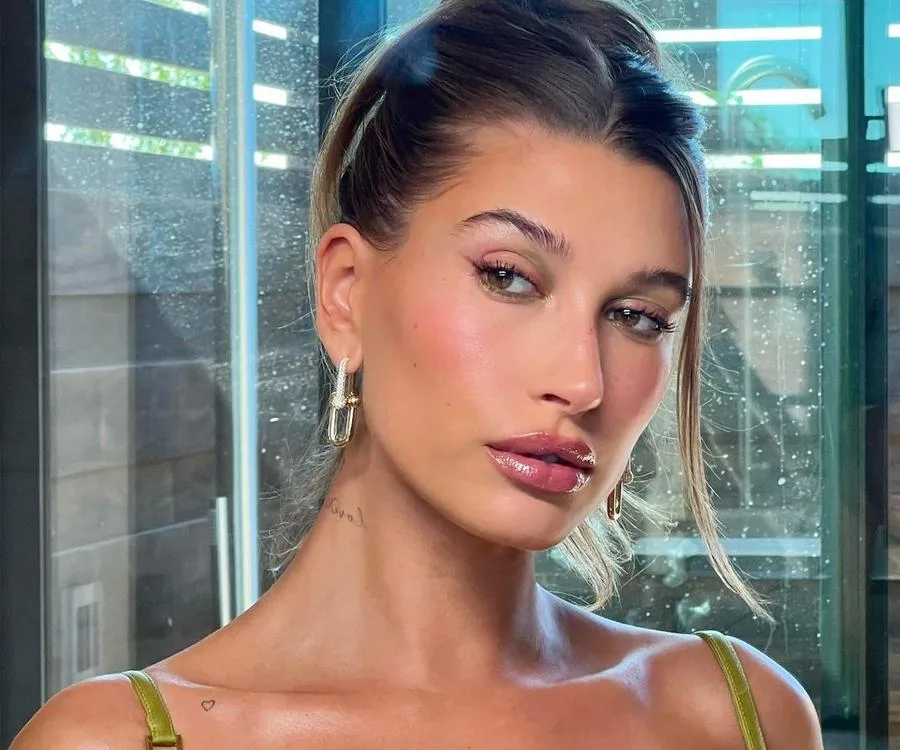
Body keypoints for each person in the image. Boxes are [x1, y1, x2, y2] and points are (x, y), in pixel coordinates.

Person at [13, 1, 823, 747]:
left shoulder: (734, 715)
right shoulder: (118, 740)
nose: (583, 382)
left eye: (637, 317)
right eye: (509, 277)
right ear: (347, 293)